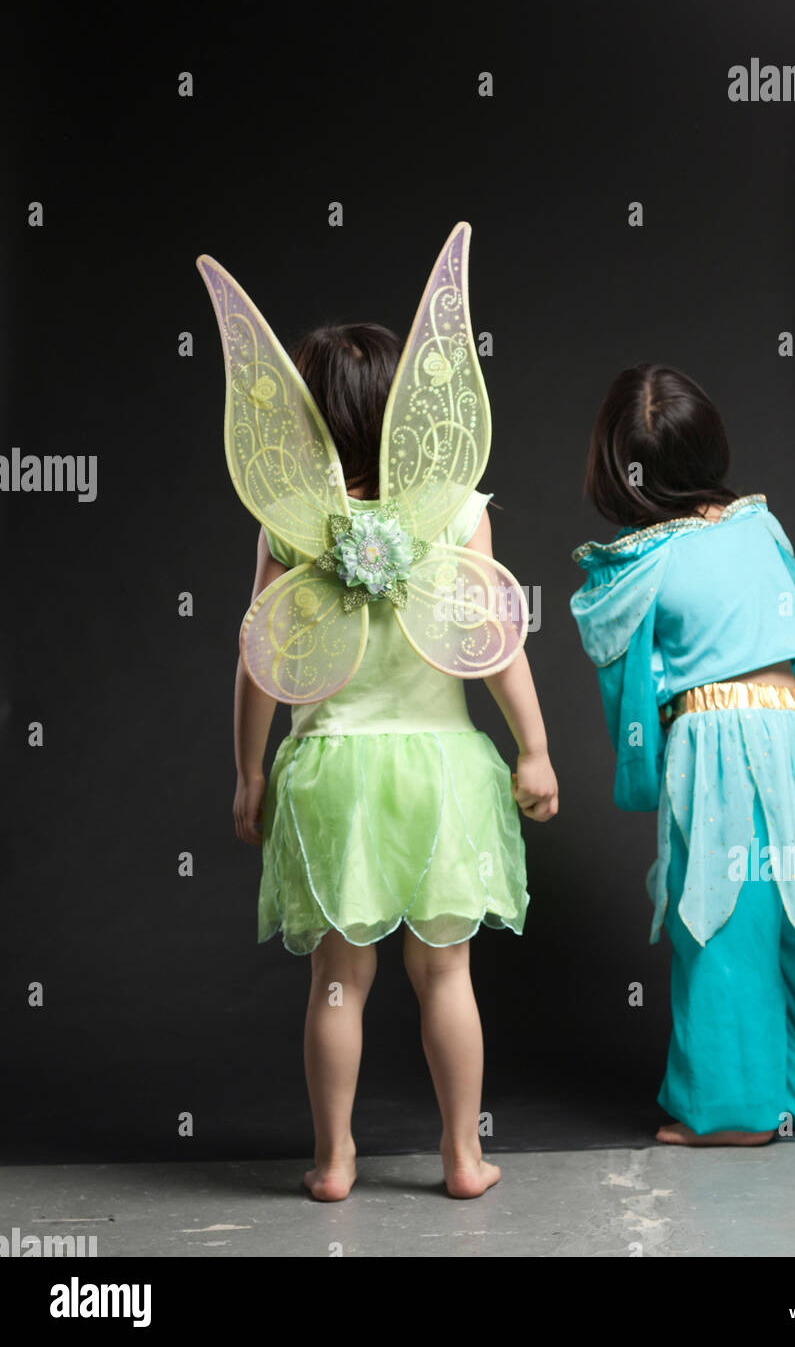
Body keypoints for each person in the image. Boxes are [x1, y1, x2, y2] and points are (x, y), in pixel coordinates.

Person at [200, 226, 558, 1202]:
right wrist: (531, 748)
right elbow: (493, 637)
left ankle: (334, 1159)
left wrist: (249, 771)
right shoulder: (452, 509)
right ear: (407, 411)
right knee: (446, 976)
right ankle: (459, 1155)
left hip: (335, 773)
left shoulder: (288, 520)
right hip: (443, 769)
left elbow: (259, 659)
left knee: (335, 980)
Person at [570, 363, 795, 1146]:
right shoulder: (758, 525)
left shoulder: (636, 565)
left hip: (723, 742)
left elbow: (630, 689)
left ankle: (734, 1113)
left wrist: (650, 762)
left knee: (722, 918)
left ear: (618, 466)